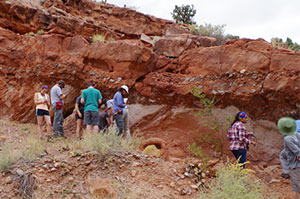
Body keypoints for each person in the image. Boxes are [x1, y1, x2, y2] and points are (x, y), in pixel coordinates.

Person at [277, 117, 300, 199]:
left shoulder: (288, 139)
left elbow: (296, 150)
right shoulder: (298, 134)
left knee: (297, 188)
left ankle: (286, 172)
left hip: (295, 165)